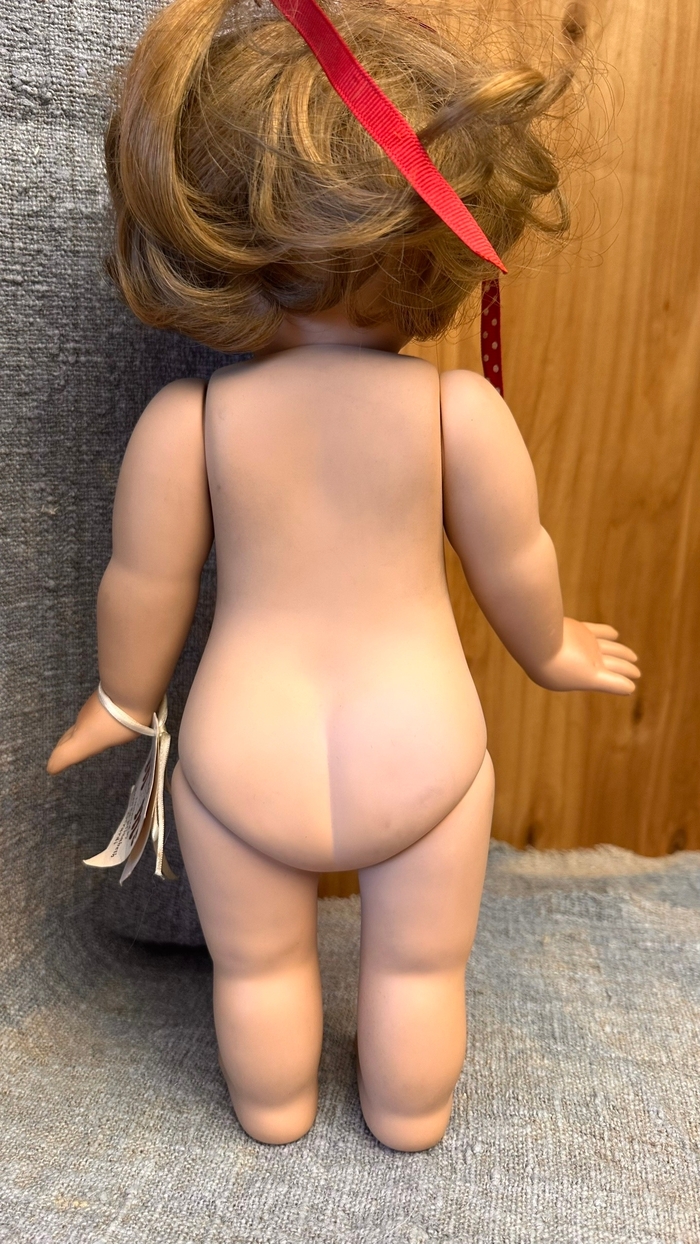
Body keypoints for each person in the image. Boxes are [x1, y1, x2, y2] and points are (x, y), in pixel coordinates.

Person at [47, 0, 639, 1150]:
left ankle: (272, 1110)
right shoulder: (455, 412)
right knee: (418, 966)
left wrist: (120, 700)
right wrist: (552, 644)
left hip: (241, 749)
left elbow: (144, 586)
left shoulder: (190, 423)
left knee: (259, 966)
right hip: (420, 745)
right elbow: (517, 558)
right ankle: (408, 1113)